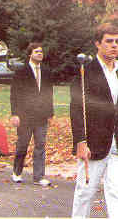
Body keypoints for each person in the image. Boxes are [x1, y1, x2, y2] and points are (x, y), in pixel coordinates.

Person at [70, 22, 118, 218]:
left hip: (117, 142)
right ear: (97, 43)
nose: (114, 45)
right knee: (85, 192)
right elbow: (76, 110)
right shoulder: (85, 72)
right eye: (109, 41)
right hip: (94, 142)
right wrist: (80, 142)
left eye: (117, 41)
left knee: (116, 192)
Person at [10, 42, 54, 186]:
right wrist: (15, 114)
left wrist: (50, 113)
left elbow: (49, 93)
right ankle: (17, 172)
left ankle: (39, 176)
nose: (40, 54)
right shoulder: (21, 71)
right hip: (25, 115)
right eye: (36, 51)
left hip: (41, 115)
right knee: (23, 144)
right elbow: (14, 94)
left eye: (41, 51)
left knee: (40, 145)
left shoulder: (46, 71)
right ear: (30, 54)